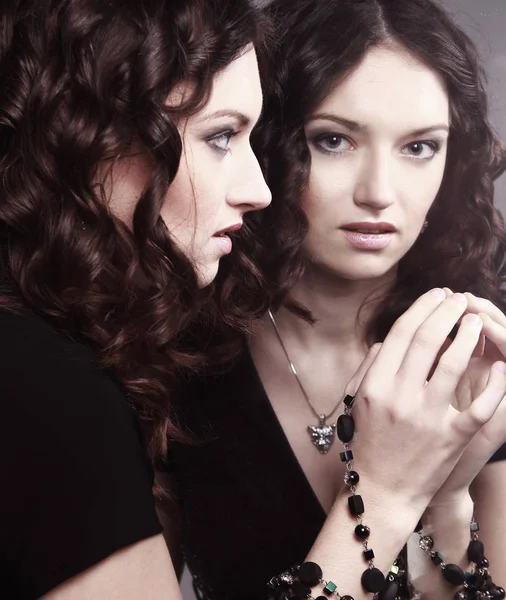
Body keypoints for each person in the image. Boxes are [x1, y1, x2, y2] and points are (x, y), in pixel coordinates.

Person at [169, 0, 506, 598]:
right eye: (333, 141)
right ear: (267, 140)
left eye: (420, 147)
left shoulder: (482, 345)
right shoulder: (175, 352)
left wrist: (449, 501)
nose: (379, 193)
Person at [0, 0, 271, 598]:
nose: (260, 191)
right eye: (220, 135)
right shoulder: (50, 390)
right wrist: (383, 499)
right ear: (87, 134)